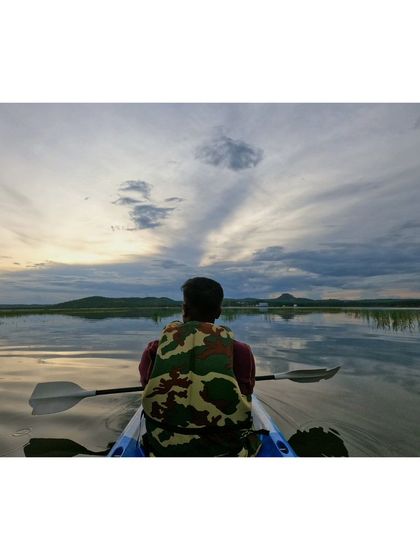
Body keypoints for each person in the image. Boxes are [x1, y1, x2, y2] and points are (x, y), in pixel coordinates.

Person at [139, 277, 263, 457]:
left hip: (162, 449)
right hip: (225, 450)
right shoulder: (241, 351)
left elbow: (147, 387)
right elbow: (245, 392)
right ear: (219, 312)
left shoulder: (154, 349)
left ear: (184, 309)